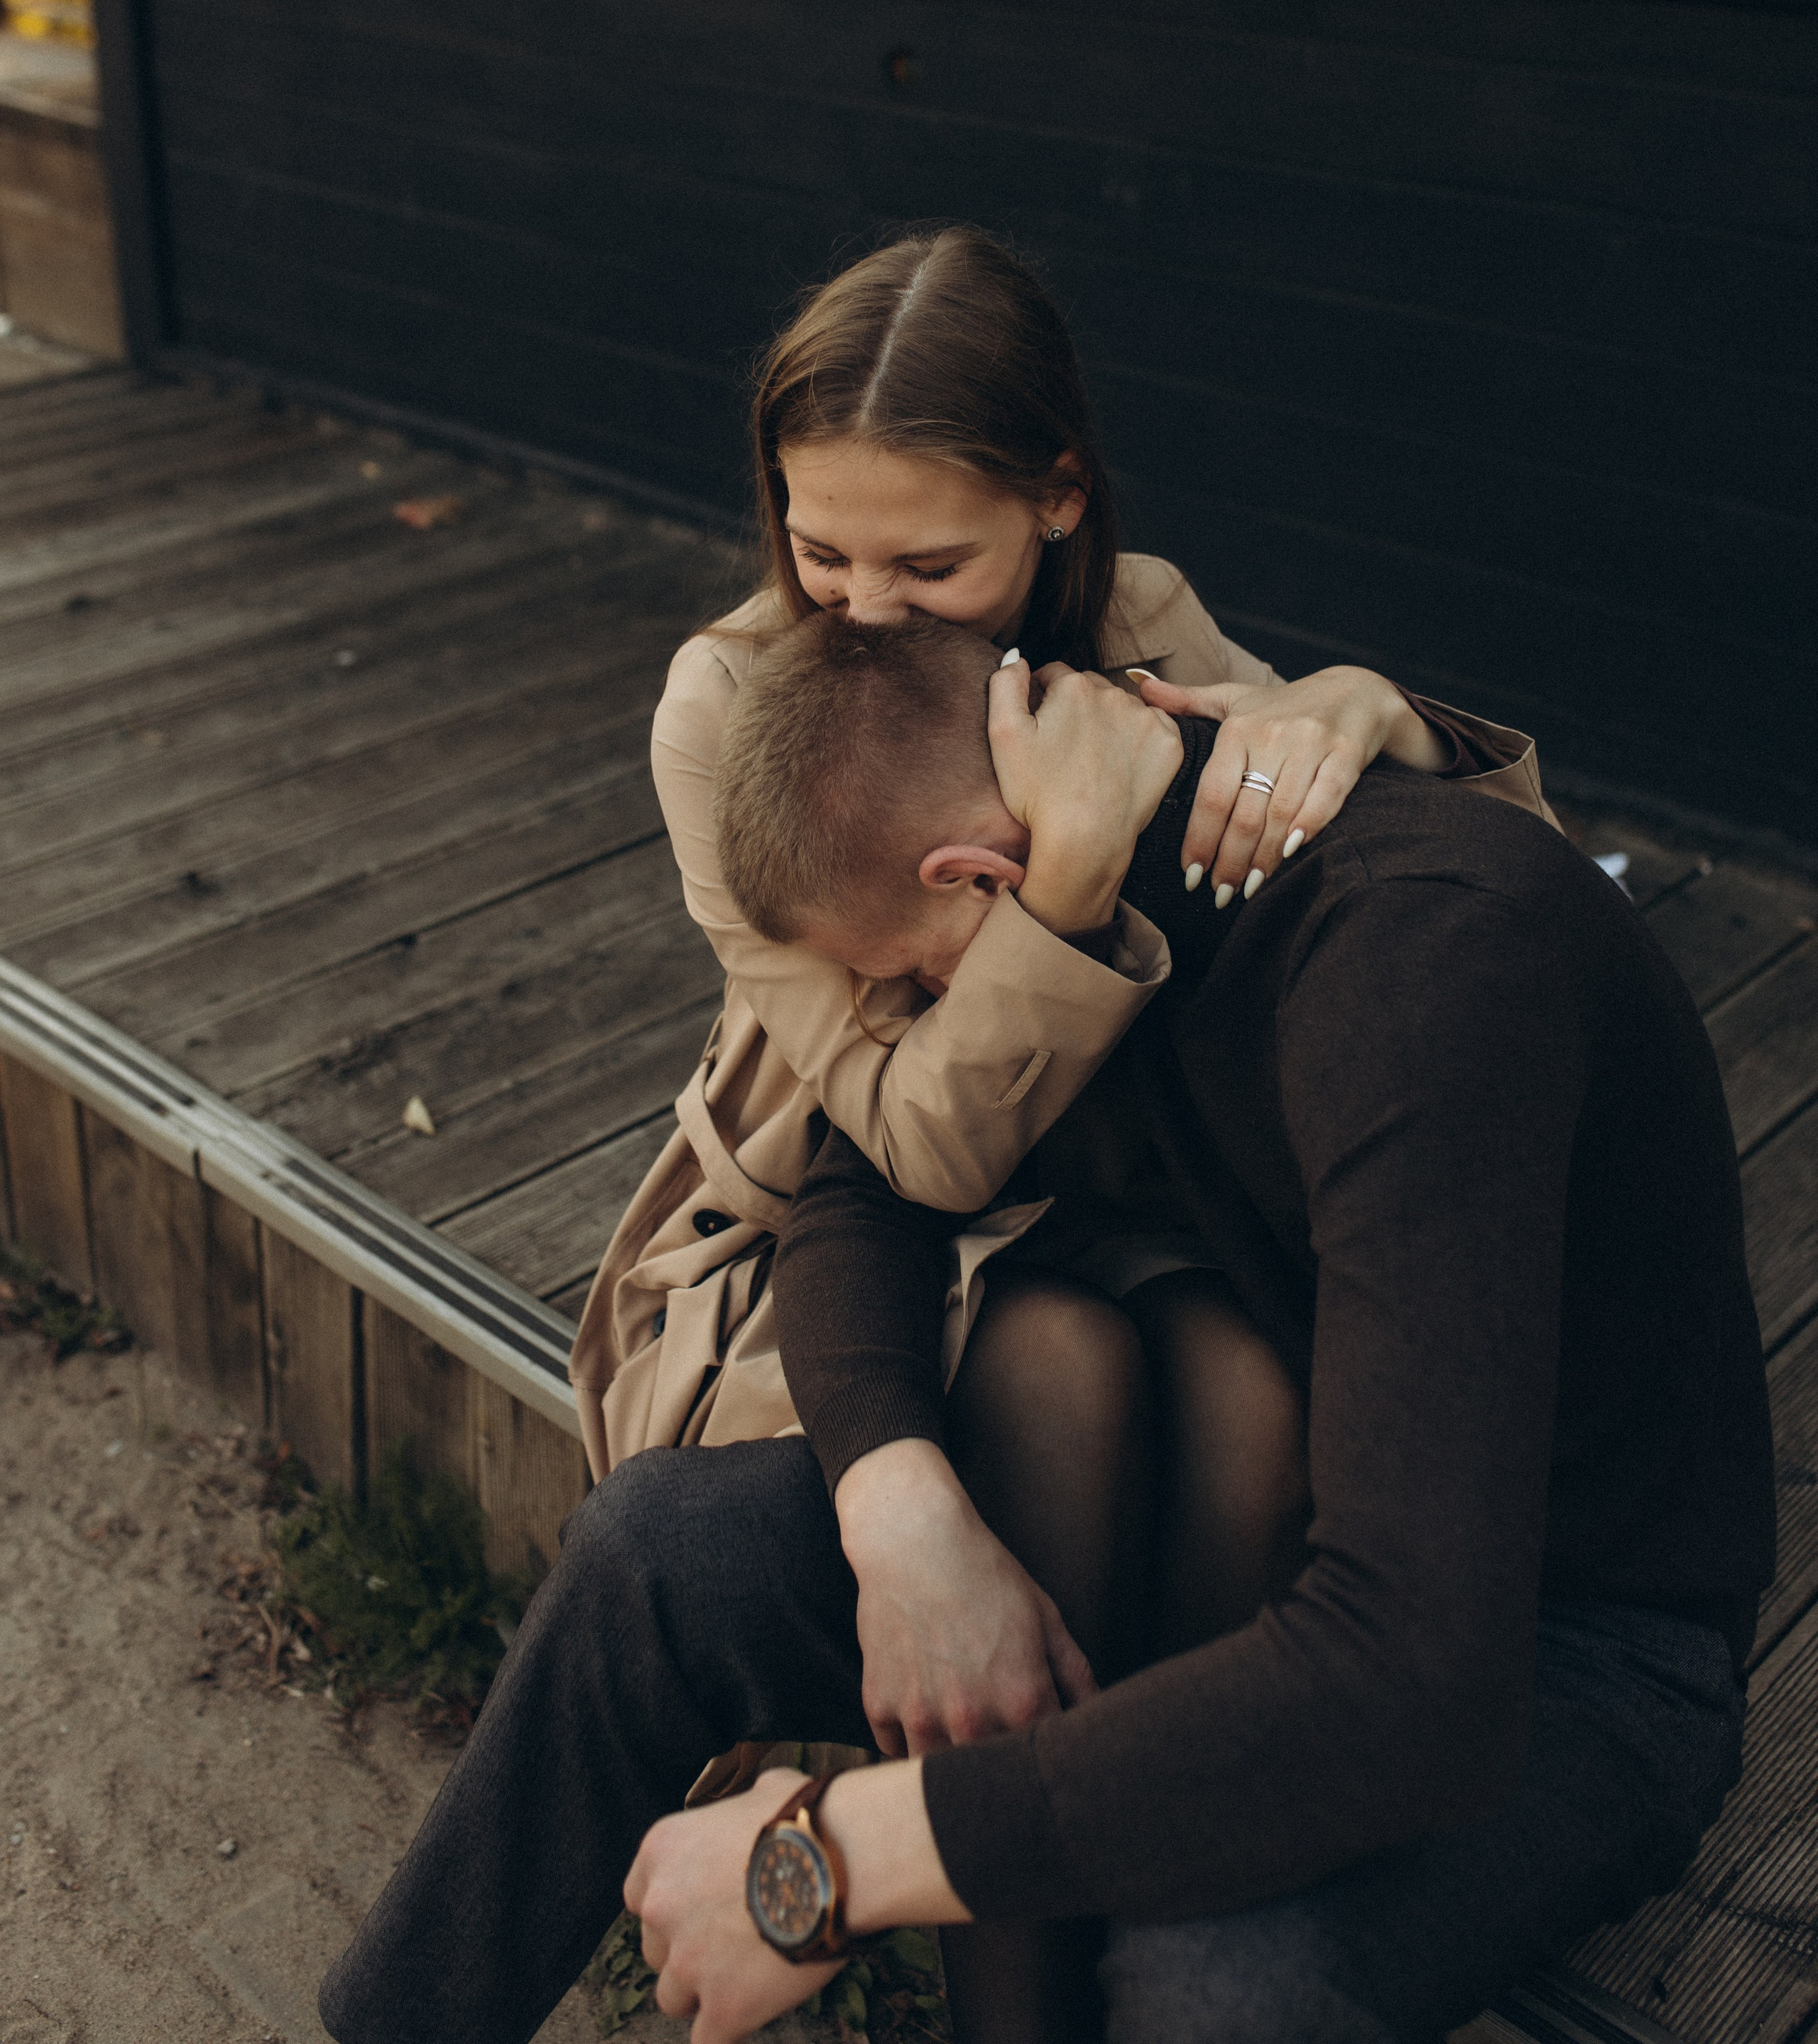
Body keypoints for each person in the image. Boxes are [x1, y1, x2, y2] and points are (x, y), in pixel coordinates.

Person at [318, 616, 1773, 2044]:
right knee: (656, 1555)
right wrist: (899, 1515)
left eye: (914, 981)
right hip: (1226, 1537)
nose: (920, 1019)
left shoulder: (1420, 959)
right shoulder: (1064, 896)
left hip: (1553, 1639)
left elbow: (1411, 1680)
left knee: (1210, 1985)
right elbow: (861, 1194)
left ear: (971, 878)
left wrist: (834, 1858)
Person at [566, 224, 1554, 1479]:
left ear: (1058, 496)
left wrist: (1375, 712)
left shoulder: (1140, 620)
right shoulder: (725, 700)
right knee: (1061, 1372)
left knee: (1258, 1398)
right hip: (845, 1203)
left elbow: (1513, 914)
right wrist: (1073, 885)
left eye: (930, 566)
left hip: (1140, 1171)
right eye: (821, 554)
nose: (865, 614)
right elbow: (907, 1145)